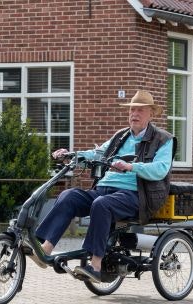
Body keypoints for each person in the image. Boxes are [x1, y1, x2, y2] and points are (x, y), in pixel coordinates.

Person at [33, 90, 174, 282]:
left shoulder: (164, 139)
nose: (135, 114)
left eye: (140, 110)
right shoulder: (121, 136)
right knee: (69, 196)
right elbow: (97, 154)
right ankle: (46, 249)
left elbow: (160, 169)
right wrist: (72, 155)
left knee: (102, 204)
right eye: (132, 109)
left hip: (136, 195)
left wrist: (131, 166)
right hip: (103, 189)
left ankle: (96, 265)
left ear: (151, 114)